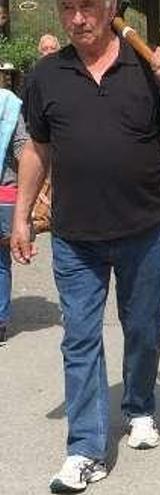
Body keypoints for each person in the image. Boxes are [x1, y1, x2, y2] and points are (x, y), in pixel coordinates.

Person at [11, 0, 160, 491]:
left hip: (145, 228)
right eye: (67, 8)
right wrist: (22, 217)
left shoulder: (144, 64)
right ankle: (84, 449)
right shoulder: (47, 74)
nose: (77, 18)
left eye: (88, 6)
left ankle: (140, 406)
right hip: (76, 237)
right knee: (79, 337)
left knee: (142, 326)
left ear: (112, 6)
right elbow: (37, 148)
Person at [0, 81, 27, 346]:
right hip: (6, 195)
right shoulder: (8, 103)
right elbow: (22, 147)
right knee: (0, 261)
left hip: (4, 197)